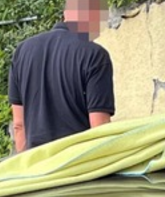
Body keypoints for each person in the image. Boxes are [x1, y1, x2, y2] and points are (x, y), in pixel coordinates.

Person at [8, 0, 116, 151]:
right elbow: (100, 128)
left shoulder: (22, 52)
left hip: (37, 165)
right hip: (76, 166)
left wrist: (26, 167)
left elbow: (19, 126)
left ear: (66, 13)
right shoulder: (95, 55)